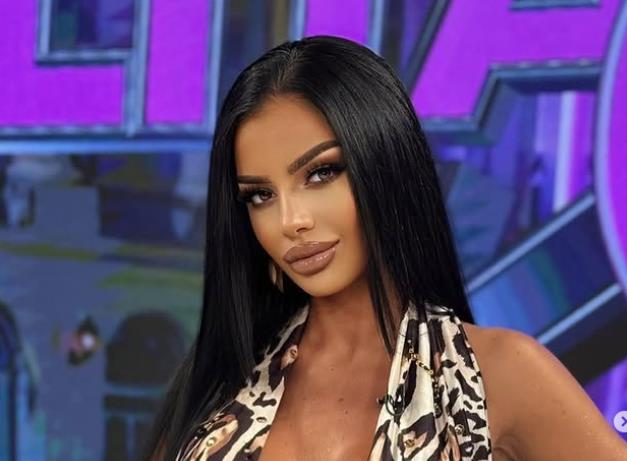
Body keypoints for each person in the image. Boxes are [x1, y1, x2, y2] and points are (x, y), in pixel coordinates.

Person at [141, 35, 626, 461]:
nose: (290, 221)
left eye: (321, 173)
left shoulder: (499, 372)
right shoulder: (222, 379)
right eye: (260, 196)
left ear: (386, 166)